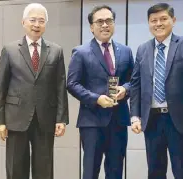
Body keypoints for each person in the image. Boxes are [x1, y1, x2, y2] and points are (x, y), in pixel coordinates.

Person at [130, 3, 183, 179]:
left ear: (173, 20)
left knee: (181, 171)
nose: (158, 24)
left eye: (163, 19)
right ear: (148, 23)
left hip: (179, 120)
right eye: (153, 20)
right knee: (155, 172)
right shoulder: (143, 49)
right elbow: (136, 85)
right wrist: (135, 116)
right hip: (152, 120)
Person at [0, 3, 69, 179]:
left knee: (44, 169)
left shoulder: (56, 51)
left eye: (41, 21)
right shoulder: (10, 50)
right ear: (23, 22)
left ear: (46, 24)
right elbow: (1, 87)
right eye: (33, 20)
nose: (37, 24)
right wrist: (0, 121)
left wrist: (61, 119)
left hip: (45, 118)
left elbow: (60, 85)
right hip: (16, 118)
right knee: (16, 169)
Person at [67, 5, 134, 179]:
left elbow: (134, 81)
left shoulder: (126, 51)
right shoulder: (81, 52)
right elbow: (72, 84)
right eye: (100, 21)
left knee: (116, 171)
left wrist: (125, 89)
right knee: (90, 171)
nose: (105, 25)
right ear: (91, 27)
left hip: (118, 120)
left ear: (114, 24)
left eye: (109, 21)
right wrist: (96, 99)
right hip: (92, 122)